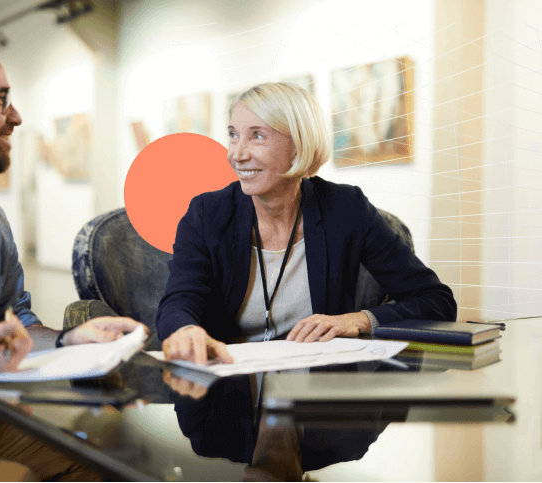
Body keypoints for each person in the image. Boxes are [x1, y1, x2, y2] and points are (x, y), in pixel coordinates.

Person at [156, 82, 456, 479]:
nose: (236, 153)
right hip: (226, 382)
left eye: (256, 136)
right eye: (232, 134)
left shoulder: (346, 209)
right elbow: (179, 298)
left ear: (298, 146)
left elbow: (435, 300)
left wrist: (360, 319)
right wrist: (185, 328)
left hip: (321, 381)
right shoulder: (208, 213)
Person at [0, 30, 147, 481]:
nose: (16, 117)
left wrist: (69, 339)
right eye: (0, 99)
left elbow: (19, 322)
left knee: (109, 464)